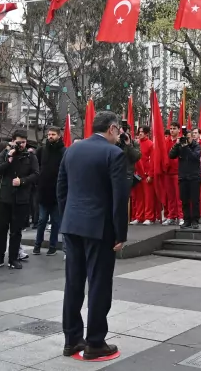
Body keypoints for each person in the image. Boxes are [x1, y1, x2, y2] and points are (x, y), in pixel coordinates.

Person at [58, 111, 129, 360]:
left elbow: (62, 189)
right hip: (99, 228)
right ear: (111, 128)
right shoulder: (114, 153)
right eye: (119, 130)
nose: (120, 135)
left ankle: (72, 340)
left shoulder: (72, 150)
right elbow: (120, 198)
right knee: (99, 285)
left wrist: (68, 217)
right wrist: (120, 233)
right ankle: (95, 342)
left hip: (72, 224)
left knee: (73, 284)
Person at [0, 129, 39, 269]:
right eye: (19, 142)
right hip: (4, 197)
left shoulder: (31, 157)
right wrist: (9, 159)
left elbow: (36, 174)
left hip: (21, 198)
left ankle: (13, 258)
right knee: (0, 229)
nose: (21, 145)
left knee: (16, 230)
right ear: (13, 141)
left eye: (24, 142)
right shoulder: (5, 153)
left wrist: (23, 181)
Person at [35, 127, 66, 256]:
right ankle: (37, 244)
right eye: (49, 134)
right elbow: (35, 166)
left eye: (53, 134)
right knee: (41, 220)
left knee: (55, 221)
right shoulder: (42, 150)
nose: (50, 136)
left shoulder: (64, 151)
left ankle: (52, 246)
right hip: (43, 190)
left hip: (57, 192)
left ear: (59, 135)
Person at [171, 127, 201, 229]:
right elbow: (171, 155)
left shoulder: (197, 146)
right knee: (184, 200)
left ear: (192, 138)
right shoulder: (181, 146)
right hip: (183, 177)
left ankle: (195, 220)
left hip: (194, 177)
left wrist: (186, 147)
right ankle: (186, 220)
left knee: (194, 200)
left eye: (188, 138)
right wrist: (177, 144)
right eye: (185, 138)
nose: (187, 140)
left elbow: (194, 157)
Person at [161, 123, 181, 225]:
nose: (172, 130)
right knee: (170, 196)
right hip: (168, 172)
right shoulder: (165, 141)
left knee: (179, 196)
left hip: (178, 172)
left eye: (174, 129)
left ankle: (181, 216)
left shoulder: (181, 141)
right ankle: (171, 216)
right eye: (171, 129)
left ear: (179, 130)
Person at [135, 127, 156, 225]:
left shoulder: (150, 144)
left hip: (146, 174)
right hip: (137, 174)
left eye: (142, 132)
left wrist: (151, 174)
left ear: (147, 133)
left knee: (148, 197)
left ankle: (149, 217)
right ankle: (139, 217)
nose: (140, 134)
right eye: (139, 132)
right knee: (139, 197)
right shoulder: (136, 143)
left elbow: (153, 160)